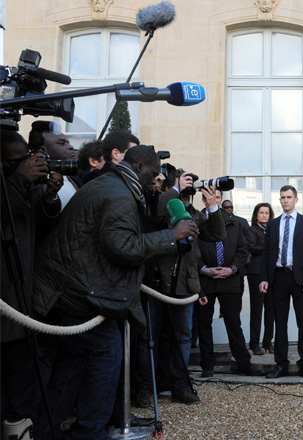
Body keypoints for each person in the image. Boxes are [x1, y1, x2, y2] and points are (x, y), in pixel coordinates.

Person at [32, 145, 198, 439]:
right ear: (138, 166)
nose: (156, 178)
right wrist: (171, 236)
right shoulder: (120, 194)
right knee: (106, 359)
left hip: (69, 289)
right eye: (153, 172)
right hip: (80, 294)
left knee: (72, 363)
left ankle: (46, 430)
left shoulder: (112, 184)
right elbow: (123, 247)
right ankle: (89, 432)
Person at [133, 170, 225, 405]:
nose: (186, 194)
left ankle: (180, 387)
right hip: (156, 284)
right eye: (183, 188)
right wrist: (174, 188)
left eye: (188, 191)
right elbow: (155, 213)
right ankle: (145, 389)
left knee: (183, 339)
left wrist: (213, 206)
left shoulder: (194, 215)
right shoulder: (159, 208)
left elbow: (217, 234)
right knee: (148, 339)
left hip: (183, 287)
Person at [1, 130, 62, 430]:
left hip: (22, 306)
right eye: (15, 162)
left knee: (23, 395)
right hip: (4, 301)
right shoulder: (15, 183)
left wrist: (49, 197)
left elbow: (40, 228)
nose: (25, 166)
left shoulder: (23, 184)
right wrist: (19, 180)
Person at [197, 190, 257, 377]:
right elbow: (190, 252)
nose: (213, 199)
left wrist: (232, 269)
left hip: (230, 281)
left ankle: (244, 363)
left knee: (233, 323)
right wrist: (204, 269)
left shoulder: (235, 223)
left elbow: (243, 250)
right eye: (209, 196)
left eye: (216, 196)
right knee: (203, 324)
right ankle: (207, 366)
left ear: (220, 199)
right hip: (205, 281)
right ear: (203, 199)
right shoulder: (196, 221)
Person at [259, 186, 303, 379]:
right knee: (280, 323)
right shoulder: (273, 225)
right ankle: (281, 364)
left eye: (289, 197)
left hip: (300, 279)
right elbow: (266, 253)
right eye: (282, 197)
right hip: (278, 277)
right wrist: (264, 278)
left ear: (296, 200)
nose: (285, 201)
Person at [244, 202, 276, 355]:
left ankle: (268, 342)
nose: (264, 215)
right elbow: (252, 247)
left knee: (271, 310)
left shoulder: (274, 229)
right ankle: (254, 344)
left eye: (267, 213)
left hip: (272, 273)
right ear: (256, 214)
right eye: (261, 212)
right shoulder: (251, 230)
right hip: (256, 272)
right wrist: (269, 248)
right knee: (257, 309)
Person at [29, 120, 80, 207]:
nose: (70, 147)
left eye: (68, 143)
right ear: (42, 150)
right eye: (62, 143)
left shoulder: (75, 177)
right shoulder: (34, 183)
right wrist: (50, 197)